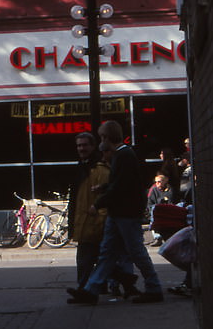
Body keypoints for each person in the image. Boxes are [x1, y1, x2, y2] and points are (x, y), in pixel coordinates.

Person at [67, 120, 163, 305]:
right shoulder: (122, 155)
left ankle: (153, 287)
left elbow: (120, 186)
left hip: (125, 213)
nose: (101, 140)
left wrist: (99, 202)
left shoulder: (124, 155)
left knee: (134, 251)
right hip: (119, 212)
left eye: (102, 136)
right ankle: (91, 290)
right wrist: (104, 188)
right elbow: (121, 182)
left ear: (108, 137)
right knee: (107, 252)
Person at [67, 132, 110, 289]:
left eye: (85, 145)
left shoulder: (99, 169)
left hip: (95, 222)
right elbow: (76, 200)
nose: (81, 148)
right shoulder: (81, 167)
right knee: (98, 258)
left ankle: (84, 288)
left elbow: (105, 197)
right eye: (79, 145)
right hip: (85, 222)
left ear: (93, 146)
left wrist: (100, 218)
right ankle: (99, 285)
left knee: (87, 258)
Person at [146, 174, 174, 247]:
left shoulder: (170, 189)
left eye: (159, 182)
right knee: (153, 214)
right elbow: (150, 203)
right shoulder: (154, 190)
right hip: (156, 209)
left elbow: (170, 201)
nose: (157, 184)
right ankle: (157, 238)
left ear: (165, 181)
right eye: (156, 182)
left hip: (167, 210)